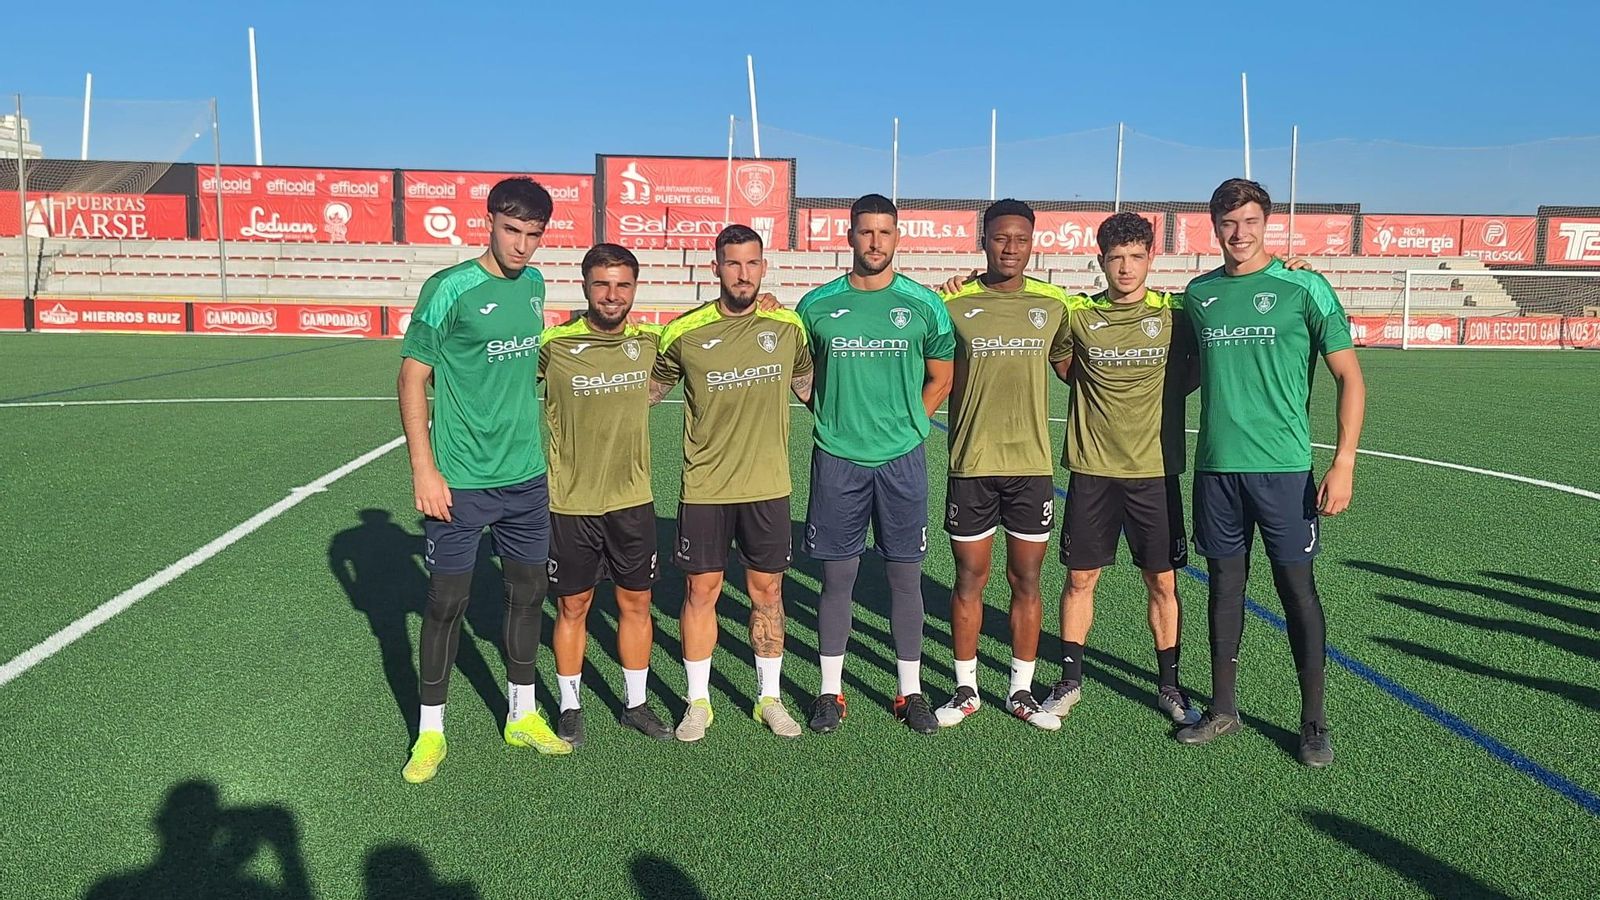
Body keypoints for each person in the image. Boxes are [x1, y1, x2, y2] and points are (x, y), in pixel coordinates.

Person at [1175, 178, 1366, 768]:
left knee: (1297, 592)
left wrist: (1343, 461)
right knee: (1224, 591)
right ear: (1214, 227)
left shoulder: (1304, 287)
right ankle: (1223, 709)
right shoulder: (1197, 294)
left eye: (1250, 222)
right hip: (1217, 470)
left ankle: (1313, 723)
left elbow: (1350, 378)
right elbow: (1178, 372)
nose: (1239, 234)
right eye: (1229, 224)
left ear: (1267, 223)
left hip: (1284, 471)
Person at [397, 177, 570, 783]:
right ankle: (430, 732)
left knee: (528, 595)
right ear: (490, 221)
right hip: (461, 480)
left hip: (525, 477)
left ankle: (521, 714)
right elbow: (412, 377)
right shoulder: (450, 288)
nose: (523, 246)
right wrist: (425, 467)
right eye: (512, 231)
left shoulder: (535, 285)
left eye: (534, 236)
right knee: (446, 603)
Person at [1034, 211, 1203, 726]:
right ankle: (1069, 680)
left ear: (1152, 257)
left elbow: (1195, 368)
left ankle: (1169, 686)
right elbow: (1064, 364)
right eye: (1115, 259)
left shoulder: (1178, 313)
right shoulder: (1080, 315)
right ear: (1101, 261)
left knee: (1163, 582)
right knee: (1080, 577)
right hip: (1092, 470)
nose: (1125, 268)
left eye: (1135, 257)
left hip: (1155, 470)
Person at [795, 194, 954, 735]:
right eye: (866, 232)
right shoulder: (816, 305)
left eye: (885, 232)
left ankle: (910, 692)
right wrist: (832, 416)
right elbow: (802, 375)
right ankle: (830, 692)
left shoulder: (923, 304)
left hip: (902, 461)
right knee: (838, 578)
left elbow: (941, 376)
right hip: (838, 458)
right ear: (850, 236)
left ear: (897, 237)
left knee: (904, 577)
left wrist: (912, 423)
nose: (875, 242)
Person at [648, 225, 815, 741]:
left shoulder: (788, 327)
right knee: (702, 591)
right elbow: (645, 394)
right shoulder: (683, 332)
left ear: (764, 267)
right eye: (732, 263)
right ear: (715, 267)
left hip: (768, 486)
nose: (742, 274)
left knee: (767, 592)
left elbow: (812, 389)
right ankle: (698, 702)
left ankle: (769, 697)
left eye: (751, 263)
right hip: (705, 488)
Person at [934, 199, 1072, 731]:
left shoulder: (1054, 304)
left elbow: (1071, 366)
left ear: (1032, 241)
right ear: (983, 240)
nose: (1010, 248)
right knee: (970, 577)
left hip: (1030, 466)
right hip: (971, 464)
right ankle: (965, 687)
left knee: (1027, 579)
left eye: (1020, 238)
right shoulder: (952, 303)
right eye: (1000, 238)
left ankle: (1021, 690)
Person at [539, 243, 673, 747]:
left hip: (632, 500)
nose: (612, 295)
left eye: (622, 285)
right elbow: (496, 375)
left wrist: (766, 299)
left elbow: (707, 329)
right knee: (573, 606)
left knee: (636, 602)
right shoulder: (552, 345)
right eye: (602, 284)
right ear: (584, 286)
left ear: (635, 288)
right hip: (570, 502)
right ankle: (570, 706)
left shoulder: (650, 342)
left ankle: (634, 703)